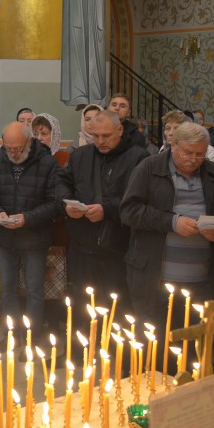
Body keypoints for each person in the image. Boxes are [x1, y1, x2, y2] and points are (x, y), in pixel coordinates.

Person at [120, 123, 214, 326]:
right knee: (155, 341)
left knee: (194, 341)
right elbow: (129, 211)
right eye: (187, 152)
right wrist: (172, 222)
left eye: (200, 154)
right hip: (154, 280)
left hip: (202, 282)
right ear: (174, 146)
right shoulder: (149, 168)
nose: (193, 159)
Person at [60, 110, 148, 327]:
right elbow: (62, 182)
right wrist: (67, 204)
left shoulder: (138, 158)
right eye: (95, 136)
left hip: (117, 249)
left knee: (115, 308)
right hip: (82, 247)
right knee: (82, 308)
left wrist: (107, 210)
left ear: (120, 130)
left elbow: (139, 199)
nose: (100, 141)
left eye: (106, 136)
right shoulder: (80, 156)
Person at [0, 122, 61, 335]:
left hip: (34, 238)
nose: (13, 153)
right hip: (6, 238)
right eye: (9, 148)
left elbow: (55, 203)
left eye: (17, 148)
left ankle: (32, 336)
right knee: (7, 288)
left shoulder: (47, 163)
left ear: (29, 141)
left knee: (34, 289)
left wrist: (27, 218)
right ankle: (12, 334)